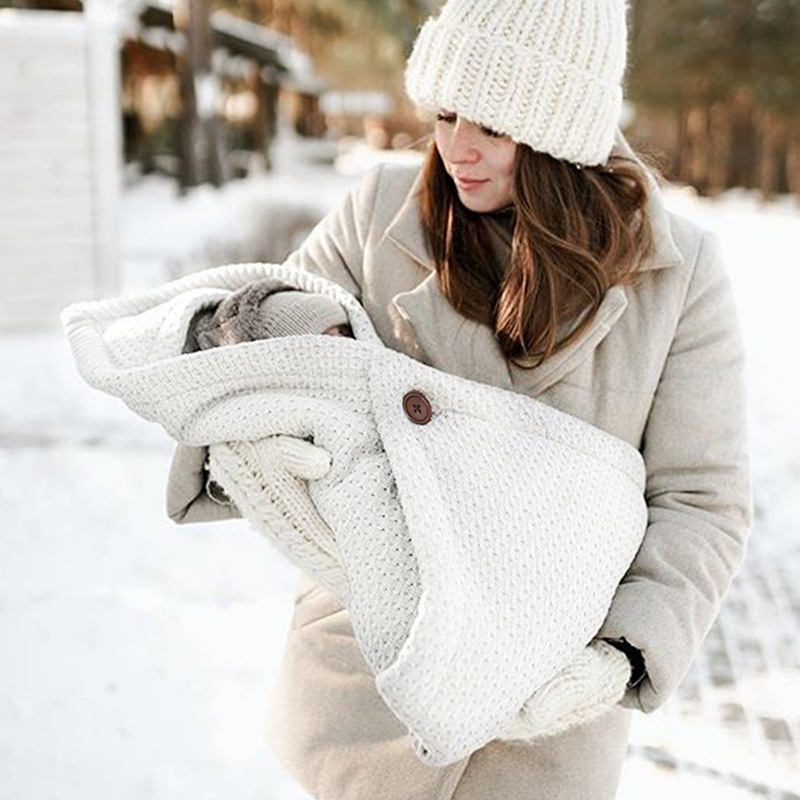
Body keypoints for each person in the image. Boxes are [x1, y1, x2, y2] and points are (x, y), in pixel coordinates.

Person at [164, 0, 752, 797]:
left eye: (493, 125)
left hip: (543, 722)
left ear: (561, 132)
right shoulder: (379, 214)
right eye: (445, 114)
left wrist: (620, 654)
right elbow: (241, 324)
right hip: (366, 704)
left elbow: (701, 497)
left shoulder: (677, 275)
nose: (457, 148)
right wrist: (294, 328)